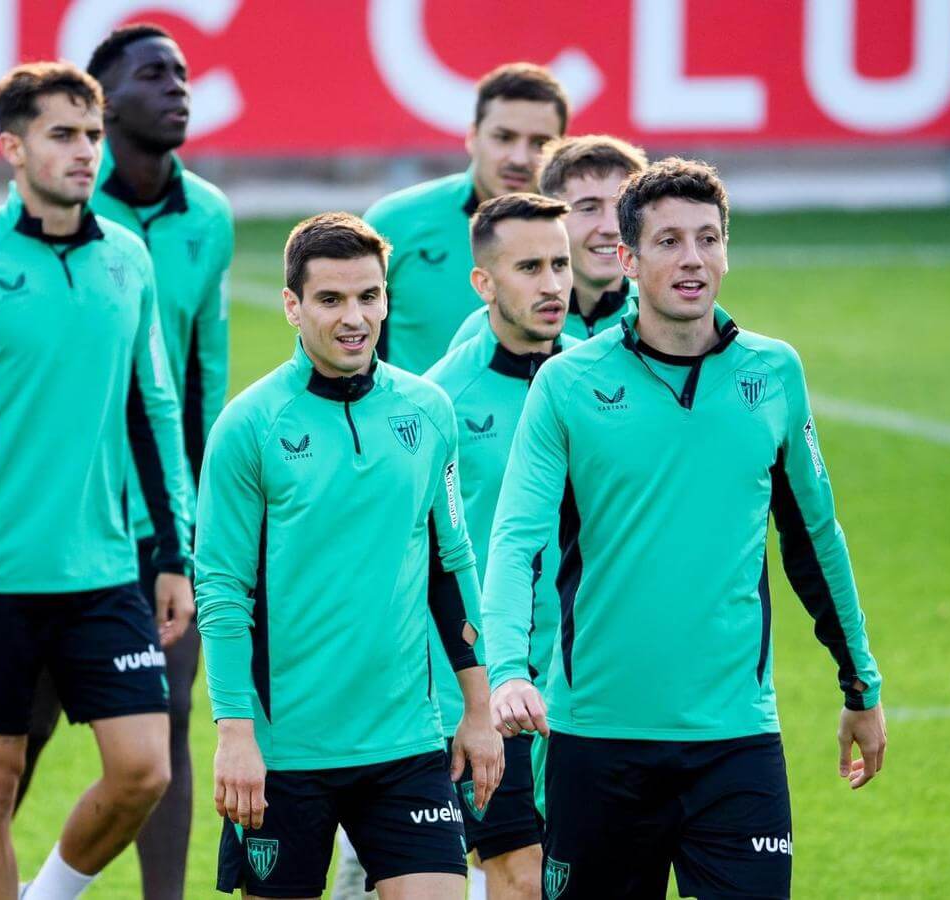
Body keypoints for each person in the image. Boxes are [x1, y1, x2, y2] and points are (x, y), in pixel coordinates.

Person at [484, 159, 887, 899]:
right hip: (597, 738)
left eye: (708, 238)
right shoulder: (568, 384)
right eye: (668, 241)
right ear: (628, 261)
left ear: (728, 250)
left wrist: (860, 682)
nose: (693, 258)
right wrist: (509, 667)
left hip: (735, 741)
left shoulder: (774, 372)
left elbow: (815, 538)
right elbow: (518, 539)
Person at [0, 61, 195, 900]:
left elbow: (155, 410)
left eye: (92, 135)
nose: (85, 152)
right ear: (11, 149)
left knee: (144, 771)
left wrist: (176, 556)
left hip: (107, 575)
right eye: (63, 135)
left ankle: (50, 892)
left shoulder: (127, 258)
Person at [197, 212, 503, 899]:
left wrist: (477, 710)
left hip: (405, 744)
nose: (353, 318)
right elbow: (221, 593)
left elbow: (451, 565)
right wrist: (236, 735)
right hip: (285, 752)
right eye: (331, 300)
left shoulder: (426, 412)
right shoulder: (251, 425)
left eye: (368, 296)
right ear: (292, 306)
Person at [7, 23, 233, 900]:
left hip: (166, 521)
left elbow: (204, 371)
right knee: (24, 726)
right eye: (153, 74)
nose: (178, 87)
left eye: (182, 72)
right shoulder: (54, 208)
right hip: (57, 517)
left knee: (169, 721)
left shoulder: (208, 217)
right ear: (102, 104)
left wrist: (207, 512)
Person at [423, 193, 578, 899]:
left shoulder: (598, 381)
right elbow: (421, 559)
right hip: (486, 683)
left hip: (588, 678)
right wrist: (461, 698)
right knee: (517, 878)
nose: (551, 285)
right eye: (528, 268)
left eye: (560, 264)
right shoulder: (437, 401)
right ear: (484, 283)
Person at [365, 63, 569, 373]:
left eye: (540, 144)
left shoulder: (582, 234)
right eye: (504, 137)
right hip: (416, 421)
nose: (519, 158)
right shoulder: (395, 222)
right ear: (473, 136)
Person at [447, 135, 647, 350]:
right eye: (589, 208)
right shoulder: (487, 327)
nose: (610, 227)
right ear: (553, 218)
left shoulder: (659, 316)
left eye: (621, 210)